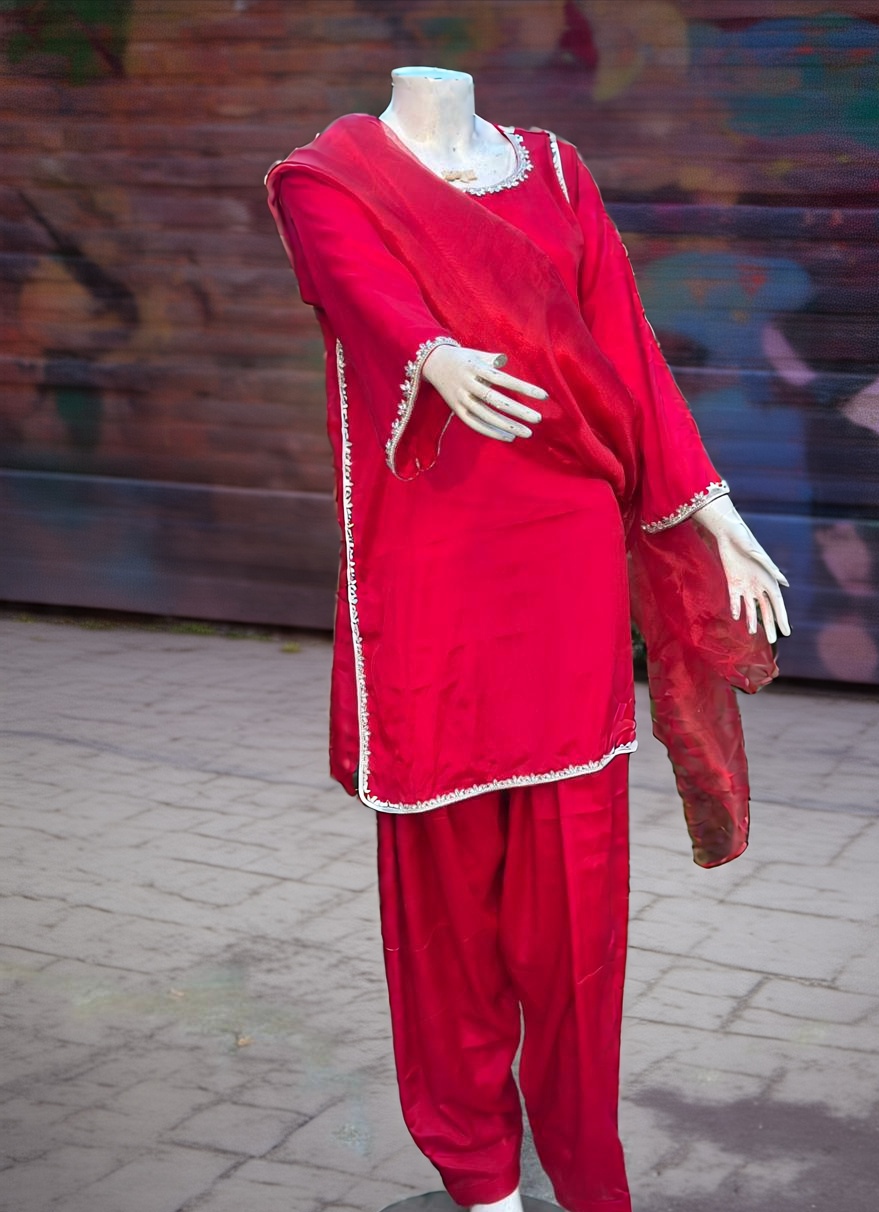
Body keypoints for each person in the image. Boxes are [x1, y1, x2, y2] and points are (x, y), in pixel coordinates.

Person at [266, 65, 788, 1212]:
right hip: (428, 573)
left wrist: (713, 513)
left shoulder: (554, 171)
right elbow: (364, 297)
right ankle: (479, 1176)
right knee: (444, 912)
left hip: (563, 569)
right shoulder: (328, 180)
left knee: (574, 916)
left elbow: (627, 353)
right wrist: (434, 355)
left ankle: (585, 1176)